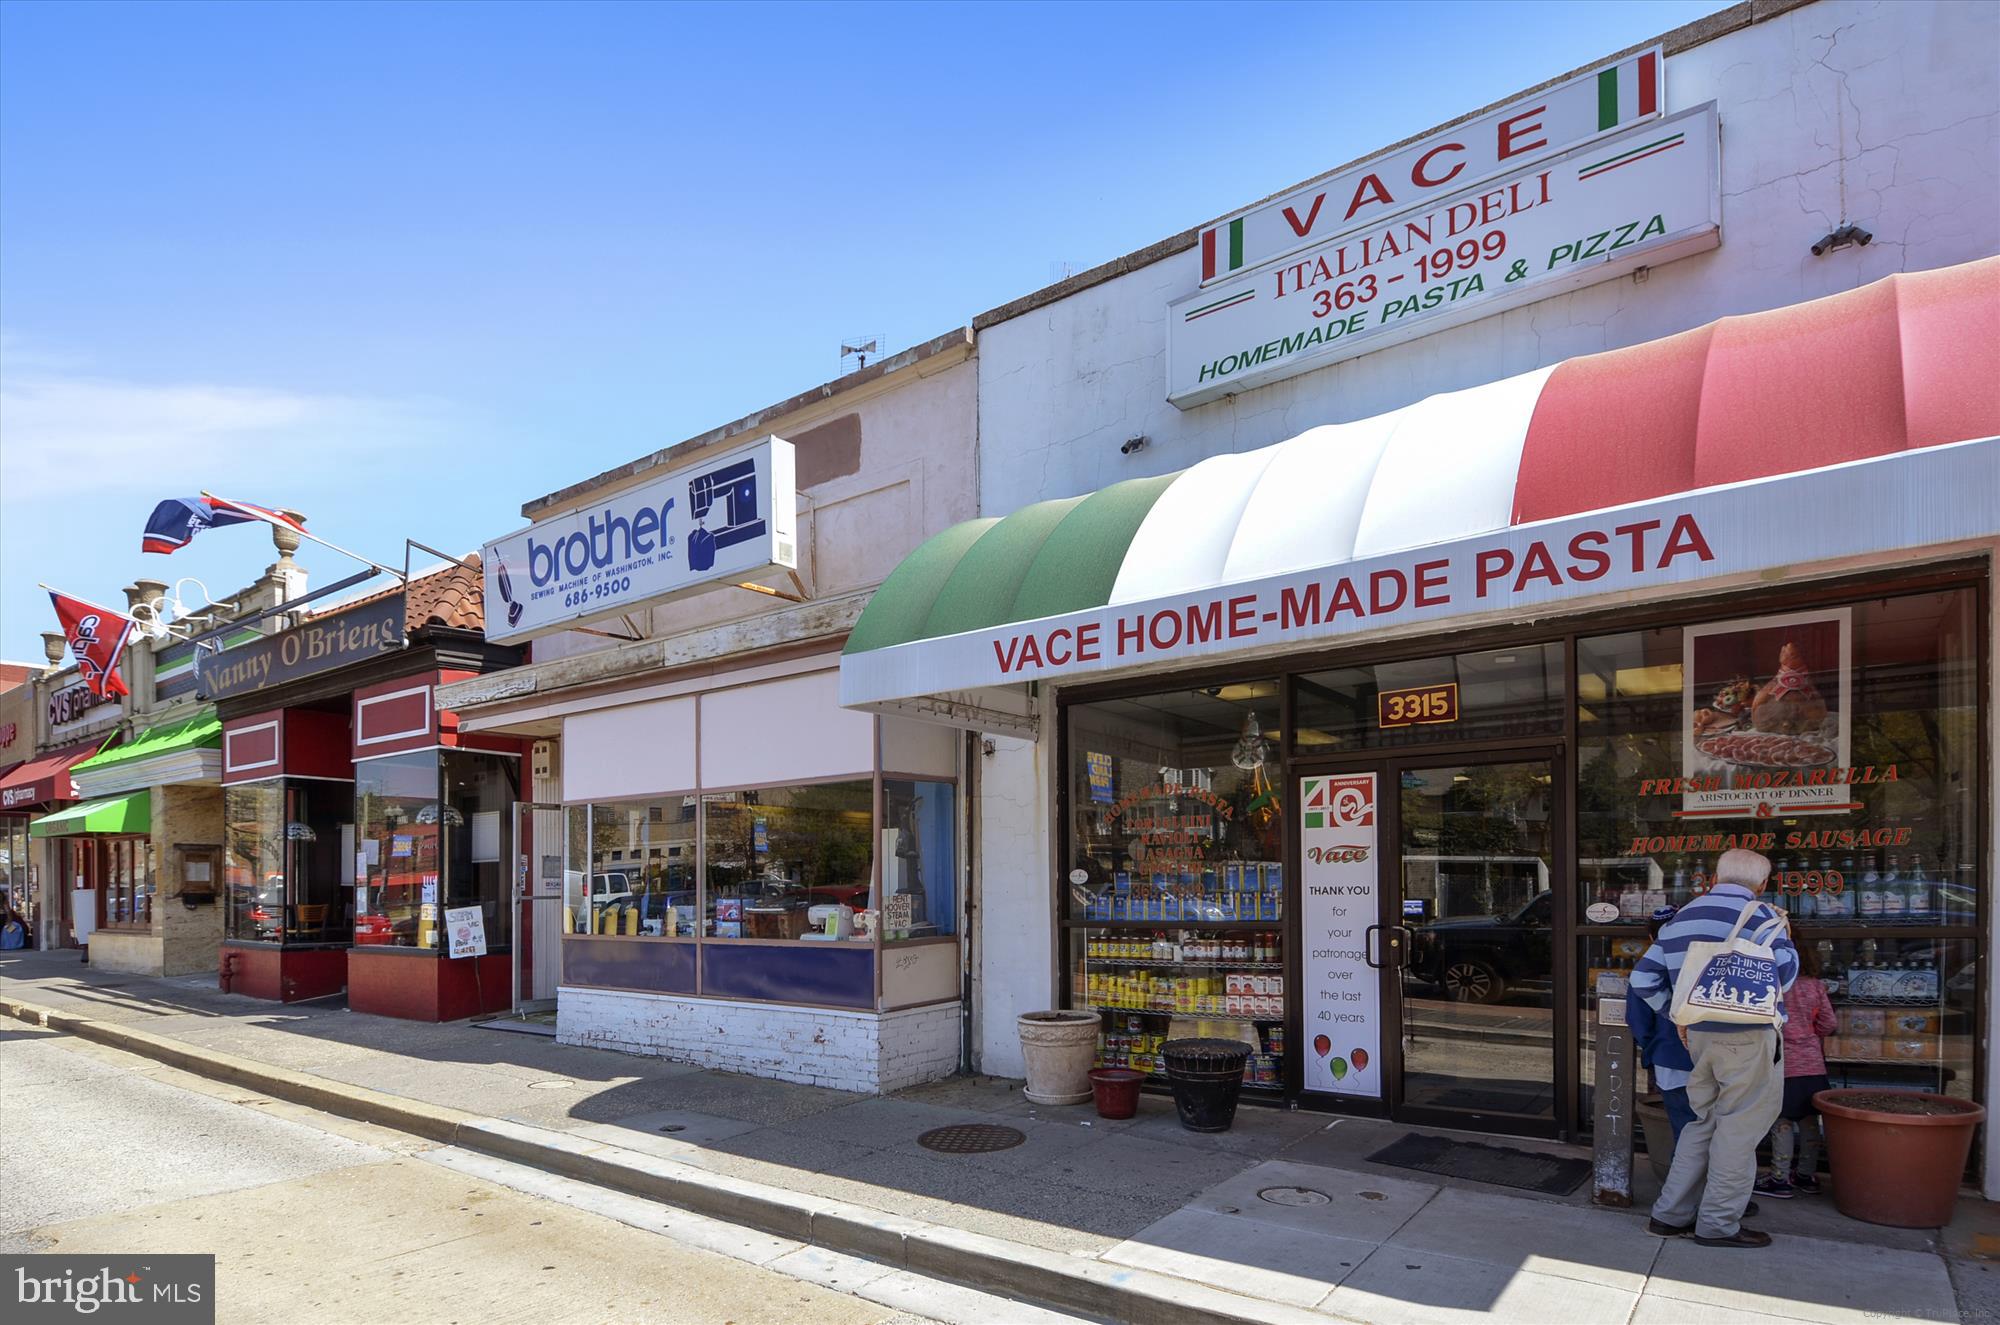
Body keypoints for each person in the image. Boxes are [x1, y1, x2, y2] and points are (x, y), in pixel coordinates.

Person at [1629, 848, 1799, 1248]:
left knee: (1698, 1125)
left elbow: (1642, 980)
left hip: (1698, 1038)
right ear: (1762, 884)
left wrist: (1678, 1018)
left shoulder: (1681, 918)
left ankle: (1669, 1216)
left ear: (1713, 880)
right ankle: (1719, 1225)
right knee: (1738, 1132)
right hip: (1749, 1037)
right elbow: (1786, 978)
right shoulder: (1765, 918)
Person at [1756, 941, 1837, 1199]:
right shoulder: (1815, 985)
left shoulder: (1777, 985)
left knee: (1781, 1121)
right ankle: (1806, 1174)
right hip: (1813, 1061)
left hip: (1783, 1061)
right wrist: (1810, 1036)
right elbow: (1828, 1022)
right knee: (1810, 1120)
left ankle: (1780, 1177)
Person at [1628, 906, 1696, 1139]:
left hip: (1670, 1059)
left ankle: (1685, 1176)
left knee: (1685, 1133)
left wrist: (1653, 1049)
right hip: (1713, 1057)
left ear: (1651, 938)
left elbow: (1640, 1024)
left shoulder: (1647, 970)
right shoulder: (1703, 962)